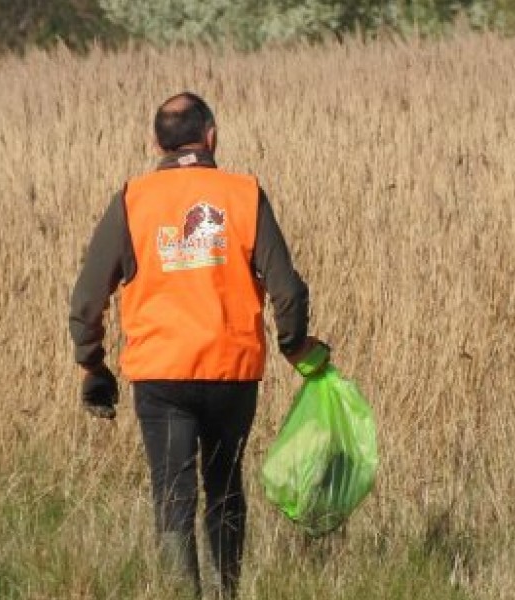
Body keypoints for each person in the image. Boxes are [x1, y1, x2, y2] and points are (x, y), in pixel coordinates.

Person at [68, 92, 330, 598]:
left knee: (174, 492)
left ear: (154, 143)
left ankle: (178, 592)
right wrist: (295, 347)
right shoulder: (244, 194)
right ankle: (227, 592)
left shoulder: (132, 200)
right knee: (225, 487)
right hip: (231, 373)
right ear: (211, 135)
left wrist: (92, 365)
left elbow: (85, 300)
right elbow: (288, 290)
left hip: (161, 376)